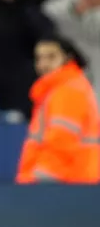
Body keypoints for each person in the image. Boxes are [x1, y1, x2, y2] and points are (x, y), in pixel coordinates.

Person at [16, 37, 100, 184]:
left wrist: (36, 180)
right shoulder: (58, 89)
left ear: (67, 57)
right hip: (70, 183)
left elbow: (61, 143)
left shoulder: (68, 90)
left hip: (64, 184)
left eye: (51, 56)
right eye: (39, 58)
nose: (43, 64)